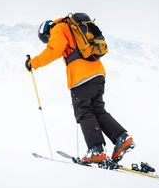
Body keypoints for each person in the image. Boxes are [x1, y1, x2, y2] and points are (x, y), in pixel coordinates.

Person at [25, 16, 134, 164]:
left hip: (81, 77)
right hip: (98, 73)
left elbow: (54, 50)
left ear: (46, 31)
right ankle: (122, 138)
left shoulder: (58, 28)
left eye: (46, 39)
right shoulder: (73, 26)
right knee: (98, 110)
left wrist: (33, 63)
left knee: (84, 111)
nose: (48, 41)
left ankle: (96, 150)